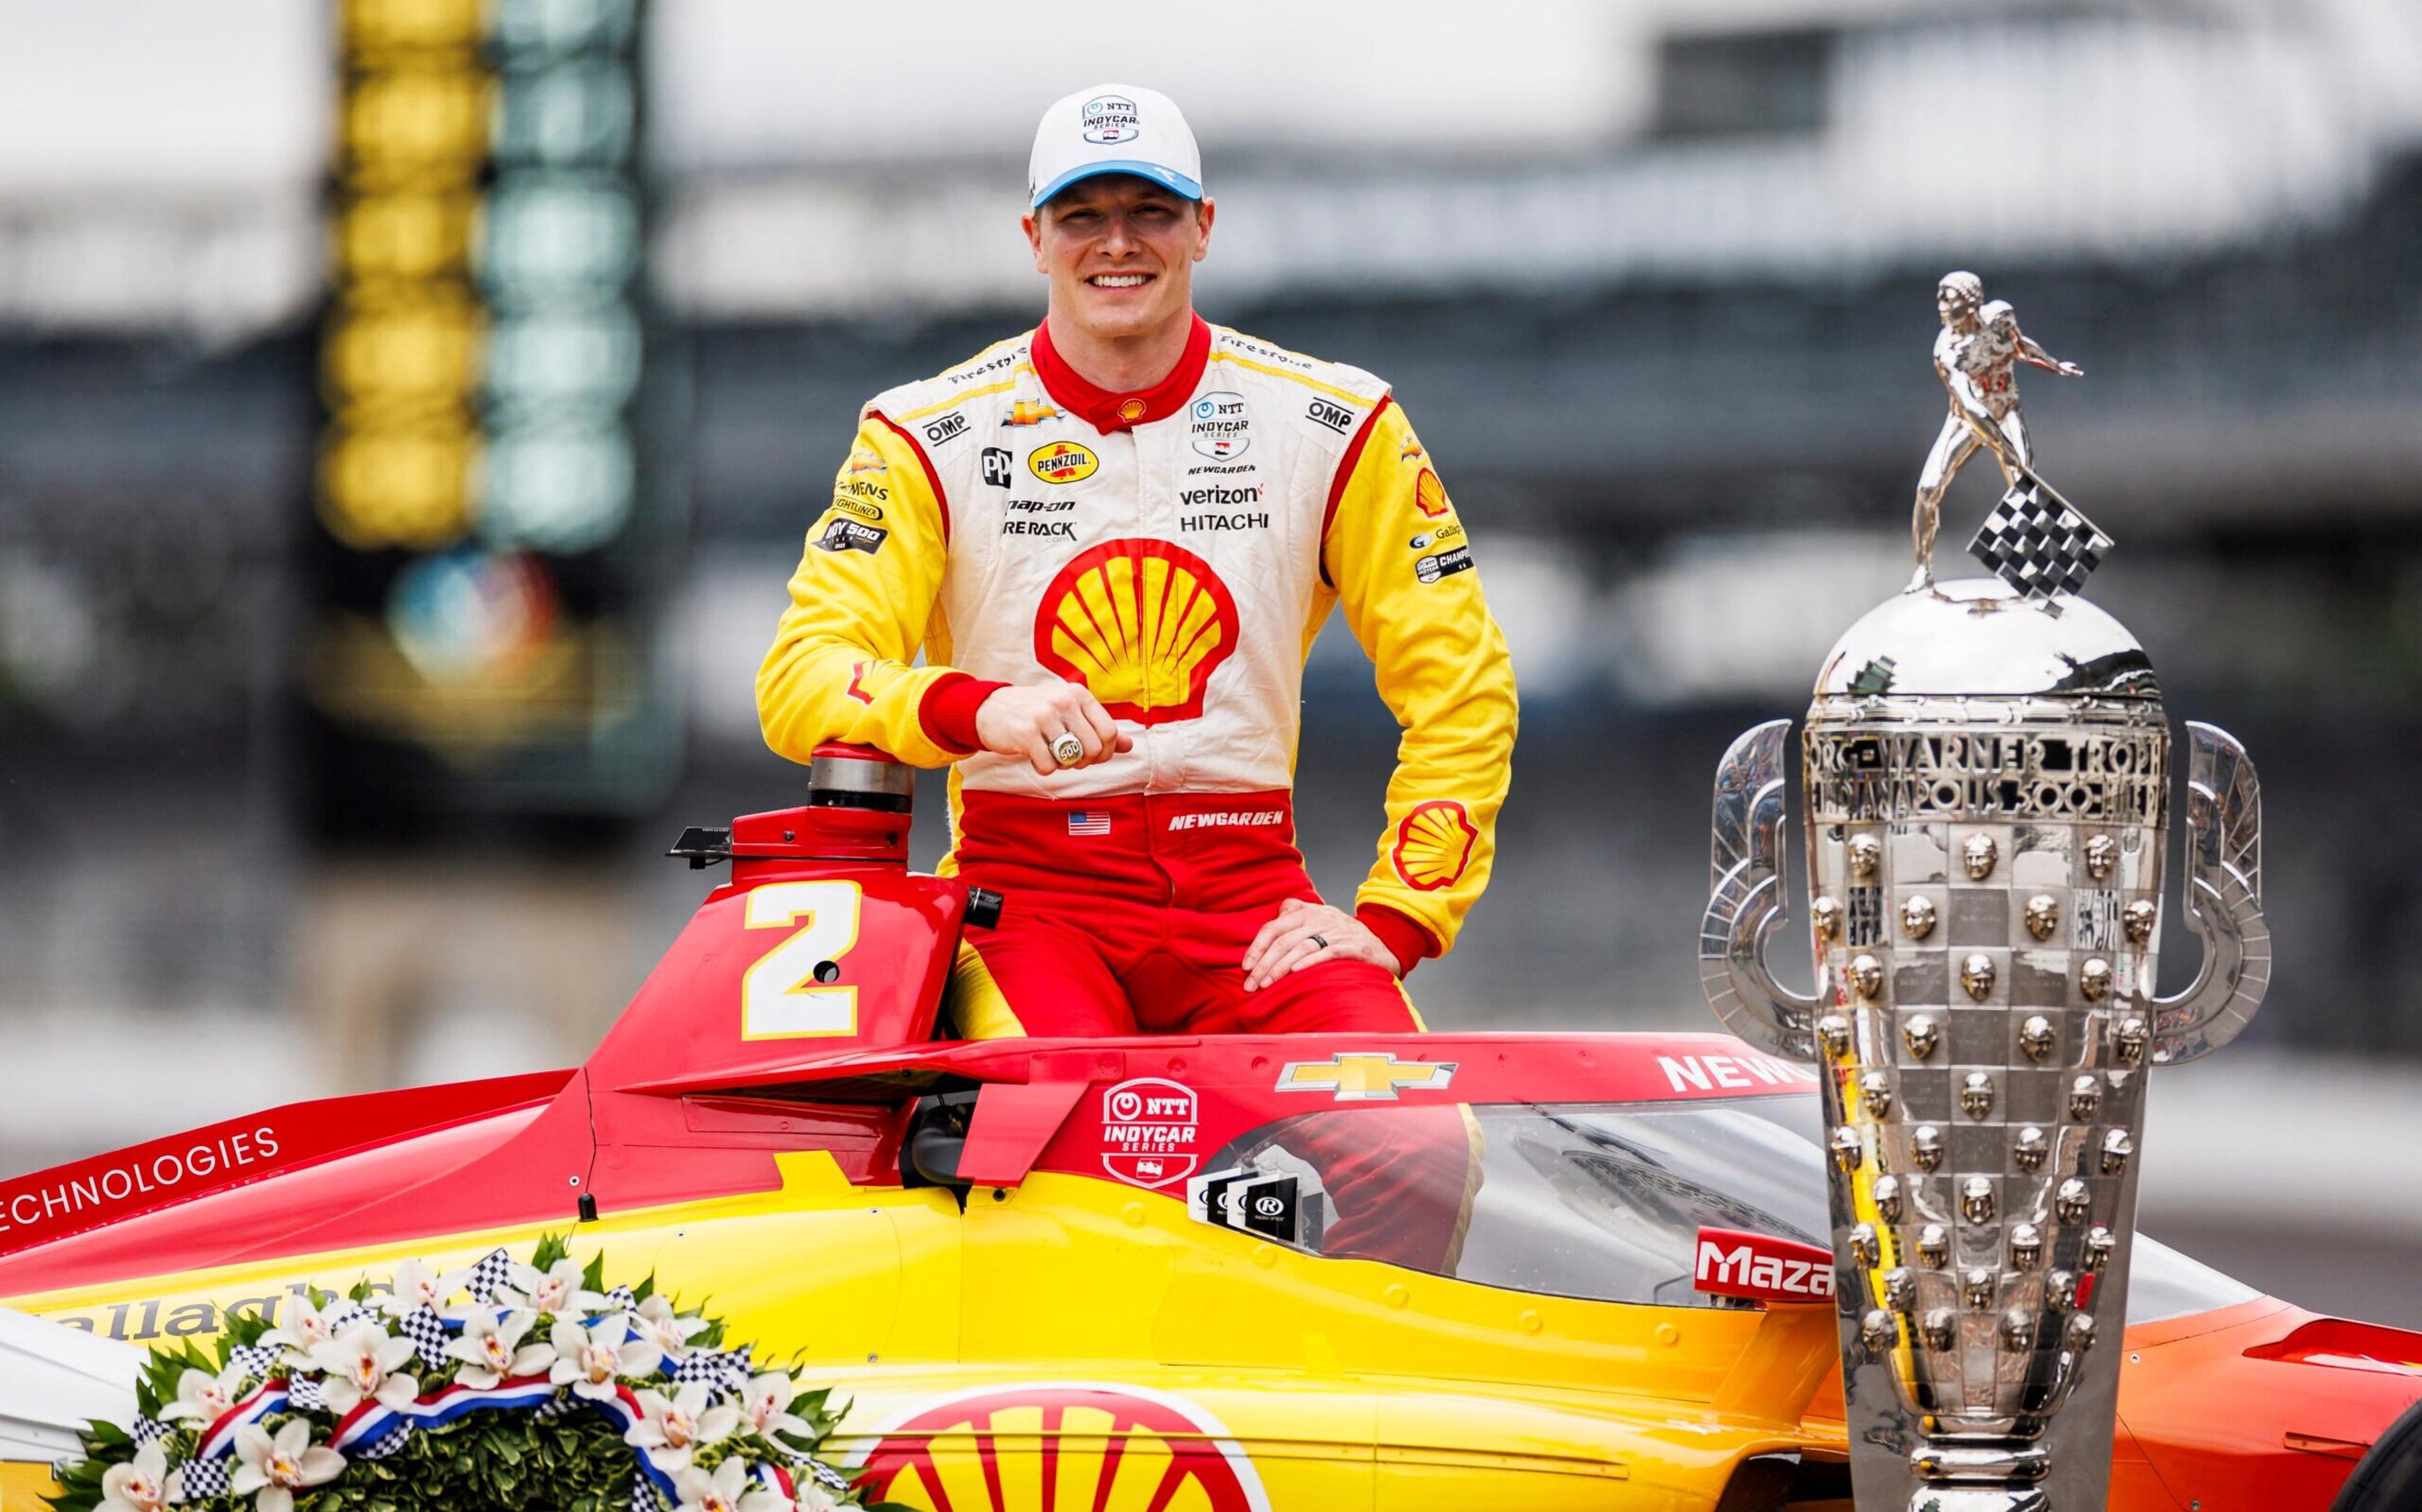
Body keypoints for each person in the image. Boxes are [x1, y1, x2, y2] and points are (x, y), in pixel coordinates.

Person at [757, 84, 1514, 1265]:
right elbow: (803, 674)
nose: (1118, 243)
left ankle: (1338, 1428)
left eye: (1150, 211)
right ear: (1034, 239)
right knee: (1075, 1144)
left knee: (1420, 1149)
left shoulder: (1336, 419)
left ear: (1204, 226)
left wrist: (1397, 920)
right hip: (1031, 892)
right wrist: (979, 708)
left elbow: (1460, 685)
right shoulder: (924, 432)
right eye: (1082, 214)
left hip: (1252, 891)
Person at [1909, 273, 2083, 588]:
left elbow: (2020, 347)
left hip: (2006, 410)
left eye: (1950, 298)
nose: (1942, 306)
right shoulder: (1948, 353)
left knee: (2025, 485)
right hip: (1967, 421)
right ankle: (1922, 570)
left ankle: (2037, 570)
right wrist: (2005, 448)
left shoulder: (2001, 319)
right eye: (1941, 298)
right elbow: (1971, 407)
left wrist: (2055, 365)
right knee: (1928, 489)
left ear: (1972, 302)